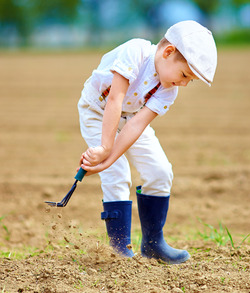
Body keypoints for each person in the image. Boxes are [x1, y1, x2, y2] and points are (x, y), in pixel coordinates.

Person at [77, 20, 217, 264]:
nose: (184, 83)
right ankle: (119, 249)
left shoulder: (168, 90)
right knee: (117, 173)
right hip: (98, 111)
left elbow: (136, 125)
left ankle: (153, 244)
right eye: (184, 74)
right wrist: (105, 151)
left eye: (190, 80)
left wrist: (105, 159)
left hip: (129, 118)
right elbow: (114, 100)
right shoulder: (136, 52)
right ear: (168, 52)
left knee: (161, 171)